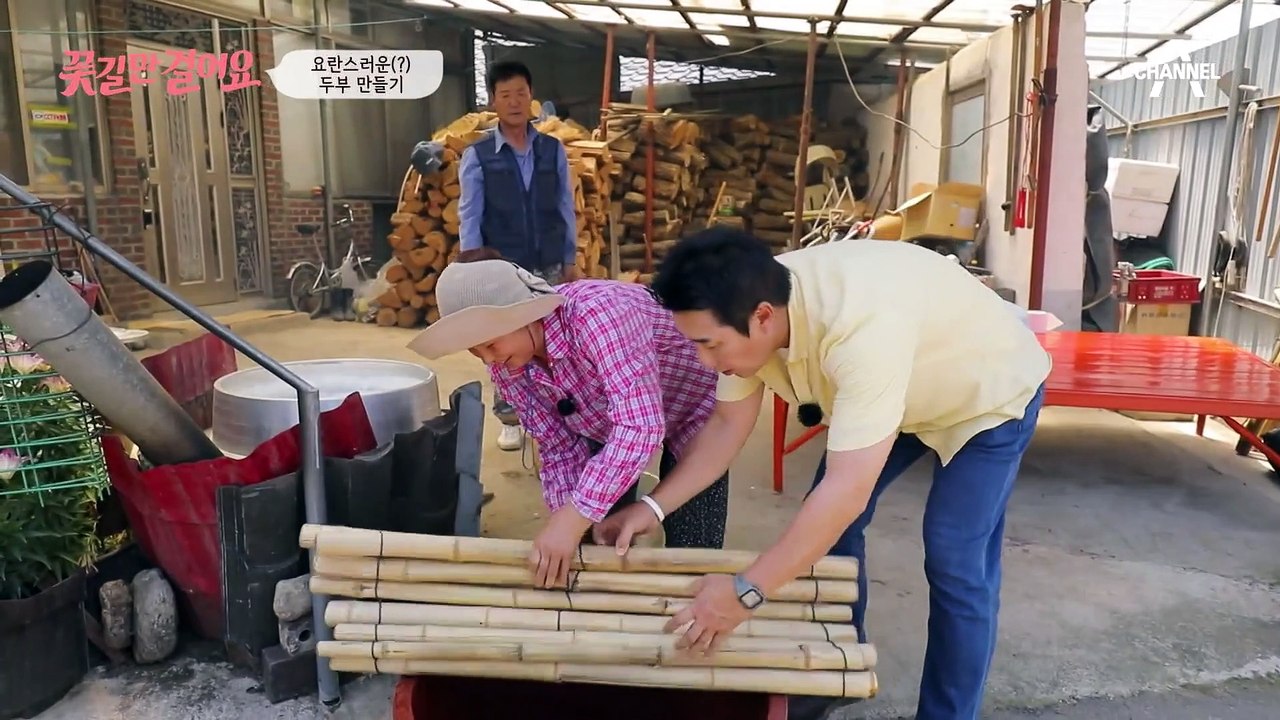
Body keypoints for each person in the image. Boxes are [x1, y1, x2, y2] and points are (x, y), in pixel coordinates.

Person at [593, 227, 1052, 720]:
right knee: (829, 537)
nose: (706, 361)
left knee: (954, 559)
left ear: (762, 318)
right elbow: (727, 426)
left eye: (710, 345)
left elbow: (847, 490)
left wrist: (745, 592)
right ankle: (836, 671)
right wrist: (653, 506)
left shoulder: (861, 329)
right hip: (898, 391)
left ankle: (947, 714)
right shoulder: (752, 303)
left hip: (985, 393)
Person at [405, 257, 730, 588]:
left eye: (490, 344)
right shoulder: (508, 365)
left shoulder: (600, 316)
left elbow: (639, 427)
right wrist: (568, 519)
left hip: (694, 410)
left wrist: (575, 518)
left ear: (526, 314)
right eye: (474, 351)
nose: (489, 359)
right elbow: (558, 445)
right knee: (601, 537)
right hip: (605, 421)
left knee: (692, 551)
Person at [457, 59, 579, 453]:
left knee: (553, 339)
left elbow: (564, 205)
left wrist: (570, 257)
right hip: (501, 265)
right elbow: (470, 214)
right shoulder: (478, 155)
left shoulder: (551, 149)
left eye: (520, 94)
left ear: (531, 98)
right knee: (502, 340)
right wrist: (474, 266)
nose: (514, 102)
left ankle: (560, 414)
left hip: (548, 259)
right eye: (505, 95)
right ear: (494, 101)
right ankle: (510, 416)